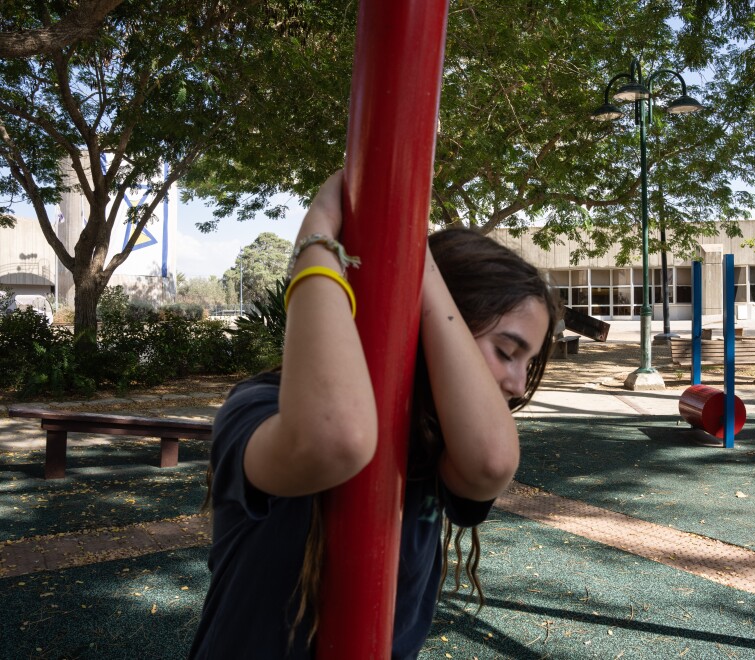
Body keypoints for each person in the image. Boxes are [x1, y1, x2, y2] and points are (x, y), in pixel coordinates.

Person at [189, 171, 557, 659]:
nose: (516, 384)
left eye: (527, 365)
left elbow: (491, 461)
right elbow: (332, 437)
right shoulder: (260, 406)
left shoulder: (439, 442)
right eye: (507, 352)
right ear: (432, 319)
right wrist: (319, 234)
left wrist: (414, 255)